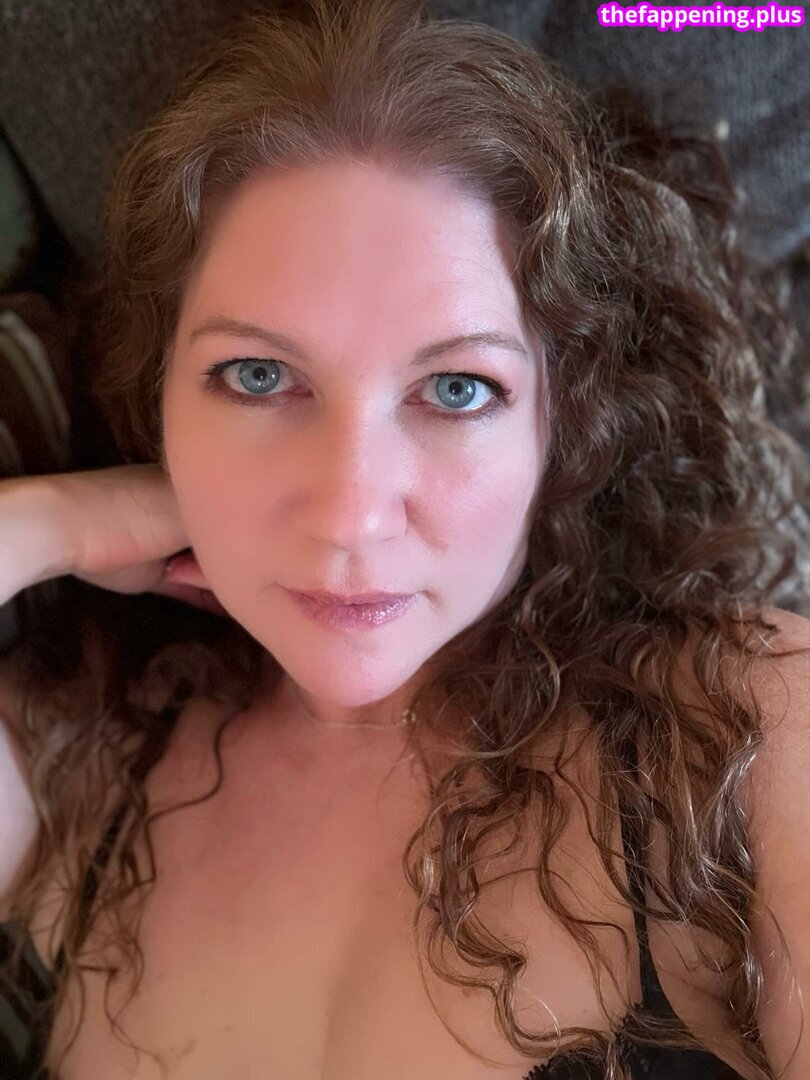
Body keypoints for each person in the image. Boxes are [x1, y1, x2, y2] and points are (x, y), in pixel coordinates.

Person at [1, 0, 809, 1077]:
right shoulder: (78, 772)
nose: (350, 514)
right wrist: (52, 519)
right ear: (159, 404)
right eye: (256, 376)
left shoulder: (743, 735)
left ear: (565, 424)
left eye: (458, 388)